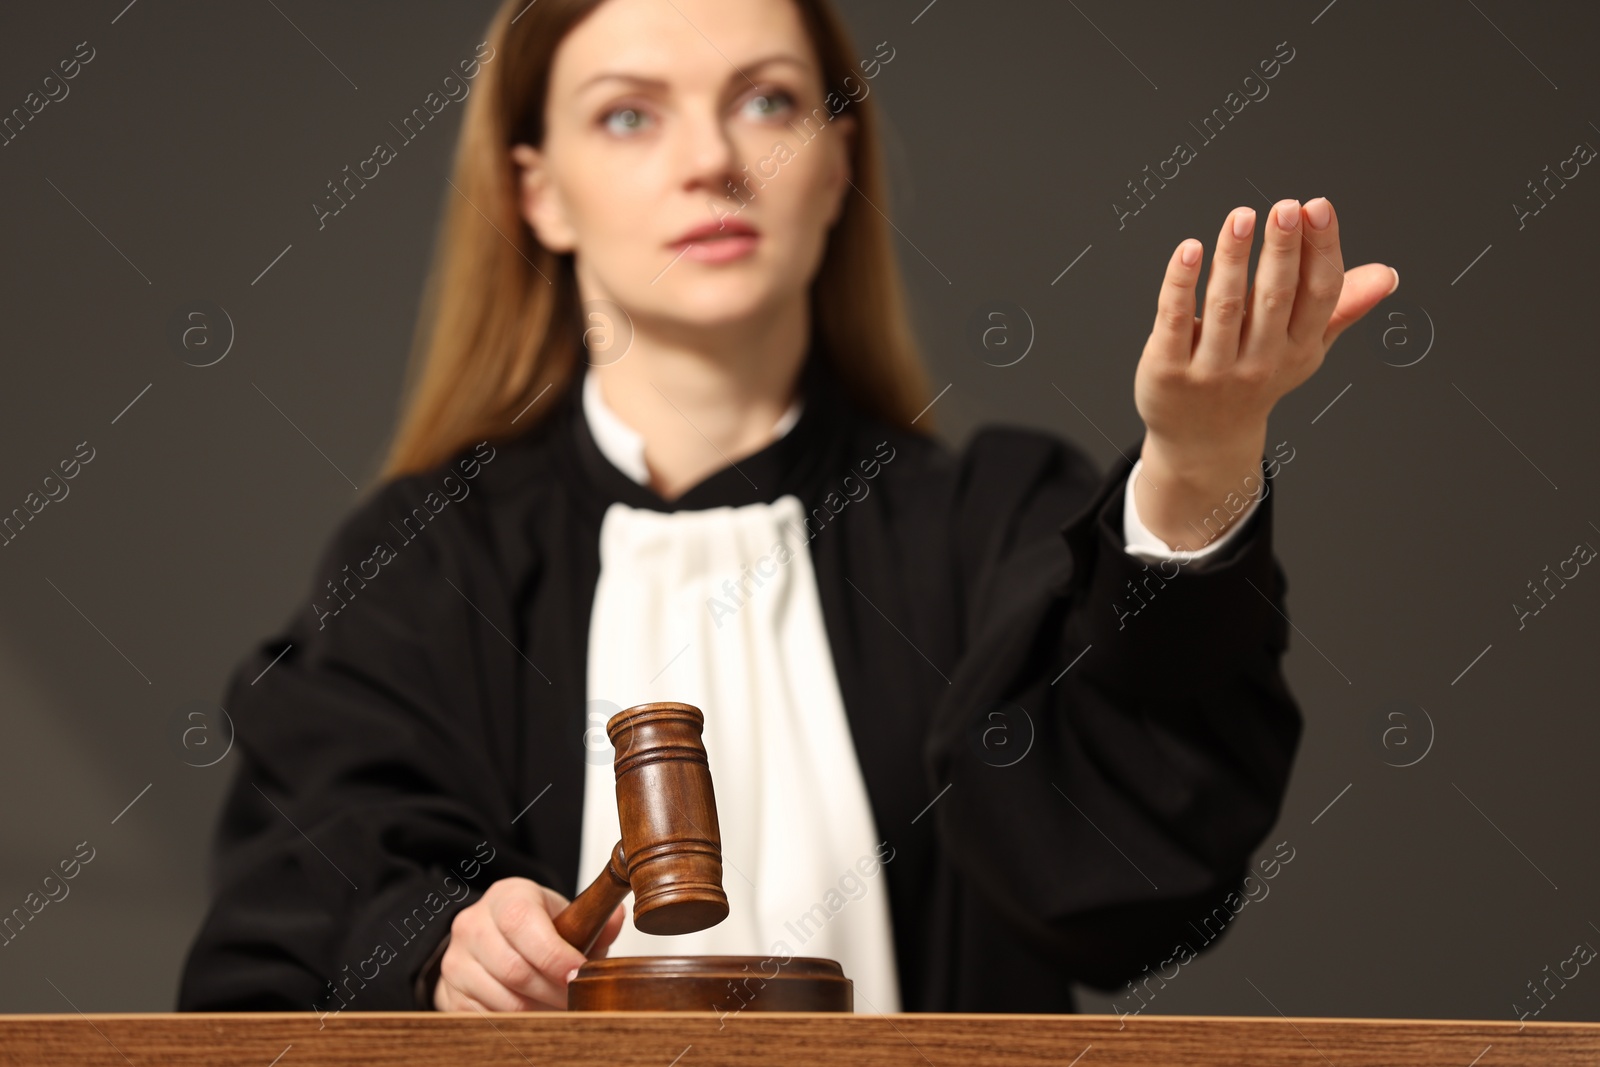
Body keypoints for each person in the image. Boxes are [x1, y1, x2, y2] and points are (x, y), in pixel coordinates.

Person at [177, 0, 1398, 1017]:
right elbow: (306, 880)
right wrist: (435, 941)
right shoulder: (423, 564)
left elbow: (1132, 885)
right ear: (536, 194)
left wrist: (1193, 466)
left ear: (839, 166)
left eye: (768, 101)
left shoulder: (989, 523)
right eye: (627, 114)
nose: (715, 158)